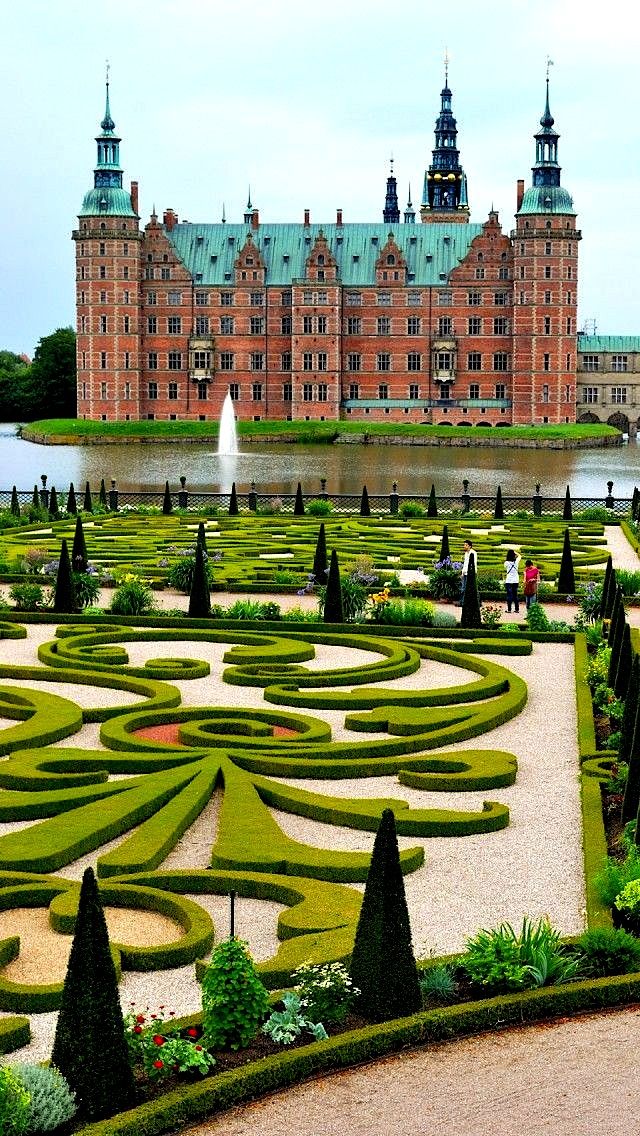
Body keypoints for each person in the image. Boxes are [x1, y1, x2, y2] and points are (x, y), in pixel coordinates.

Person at [503, 548, 521, 613]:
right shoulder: (516, 562)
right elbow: (520, 556)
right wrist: (515, 552)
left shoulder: (506, 563)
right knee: (515, 595)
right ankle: (517, 609)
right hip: (516, 580)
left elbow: (505, 567)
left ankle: (509, 609)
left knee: (509, 595)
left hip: (509, 580)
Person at [460, 539, 477, 604]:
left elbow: (473, 564)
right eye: (464, 545)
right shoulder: (466, 553)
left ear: (469, 546)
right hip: (465, 573)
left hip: (470, 574)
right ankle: (462, 602)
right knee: (463, 588)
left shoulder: (473, 553)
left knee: (469, 588)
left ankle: (466, 602)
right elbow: (465, 563)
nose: (464, 546)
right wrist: (462, 572)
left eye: (466, 545)